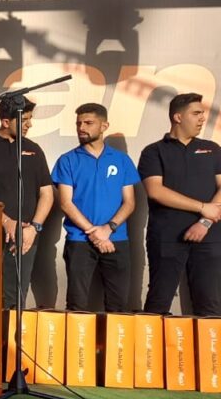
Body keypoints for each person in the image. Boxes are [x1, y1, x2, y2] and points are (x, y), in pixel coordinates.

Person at [139, 92, 221, 316]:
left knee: (210, 304)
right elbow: (156, 191)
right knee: (158, 302)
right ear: (178, 117)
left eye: (203, 113)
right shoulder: (153, 151)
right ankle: (152, 342)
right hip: (166, 237)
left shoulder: (212, 149)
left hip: (209, 236)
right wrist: (202, 207)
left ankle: (209, 343)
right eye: (196, 113)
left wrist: (204, 222)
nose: (202, 118)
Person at [52, 103, 139, 312]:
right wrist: (95, 233)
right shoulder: (67, 160)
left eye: (88, 123)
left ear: (104, 126)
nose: (81, 128)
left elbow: (129, 202)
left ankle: (112, 337)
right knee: (77, 304)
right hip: (79, 240)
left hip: (116, 239)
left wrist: (108, 229)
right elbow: (66, 203)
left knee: (118, 305)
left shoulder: (121, 160)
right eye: (78, 123)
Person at [0, 96, 53, 306]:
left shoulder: (34, 149)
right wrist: (5, 221)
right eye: (24, 120)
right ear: (5, 122)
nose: (30, 124)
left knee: (15, 299)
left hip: (25, 237)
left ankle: (12, 330)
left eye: (30, 119)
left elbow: (47, 193)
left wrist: (34, 228)